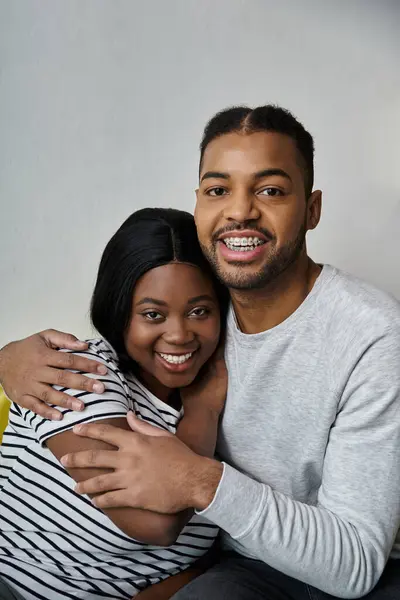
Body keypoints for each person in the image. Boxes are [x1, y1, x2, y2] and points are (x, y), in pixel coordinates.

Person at [1, 105, 400, 599]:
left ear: (312, 209)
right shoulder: (196, 309)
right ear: (199, 207)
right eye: (218, 190)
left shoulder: (371, 333)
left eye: (271, 190)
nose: (240, 211)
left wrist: (197, 479)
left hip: (318, 562)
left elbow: (354, 562)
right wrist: (8, 357)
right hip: (230, 566)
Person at [0, 207, 229, 600]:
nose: (178, 334)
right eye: (153, 314)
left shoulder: (237, 416)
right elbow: (156, 522)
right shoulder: (80, 371)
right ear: (120, 310)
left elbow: (201, 563)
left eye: (199, 311)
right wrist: (203, 412)